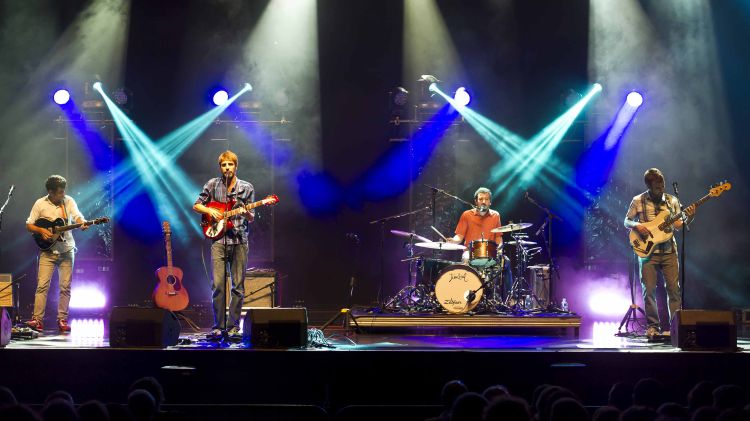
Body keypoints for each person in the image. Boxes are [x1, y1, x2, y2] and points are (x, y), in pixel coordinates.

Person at [624, 168, 695, 337]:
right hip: (647, 252)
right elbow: (626, 220)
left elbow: (677, 225)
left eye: (662, 185)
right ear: (648, 186)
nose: (661, 189)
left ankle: (676, 329)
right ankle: (653, 327)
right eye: (657, 187)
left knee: (674, 290)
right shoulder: (638, 200)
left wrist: (689, 217)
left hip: (669, 251)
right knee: (649, 291)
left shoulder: (672, 201)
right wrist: (636, 225)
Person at [193, 150, 254, 338]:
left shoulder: (246, 187)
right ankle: (218, 326)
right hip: (218, 240)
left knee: (238, 286)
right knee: (218, 285)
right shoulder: (212, 184)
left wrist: (245, 213)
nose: (227, 168)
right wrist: (211, 212)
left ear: (236, 166)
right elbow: (197, 205)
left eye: (230, 164)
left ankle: (233, 326)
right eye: (224, 165)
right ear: (220, 167)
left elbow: (251, 217)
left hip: (239, 240)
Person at [25, 175, 87, 333]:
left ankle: (62, 320)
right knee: (42, 286)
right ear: (50, 192)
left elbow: (77, 215)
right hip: (47, 251)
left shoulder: (69, 201)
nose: (62, 194)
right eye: (59, 192)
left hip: (67, 250)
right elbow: (29, 224)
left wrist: (82, 222)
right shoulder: (40, 203)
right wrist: (41, 230)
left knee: (65, 287)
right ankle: (37, 320)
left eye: (63, 191)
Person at [447, 187, 513, 300]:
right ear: (476, 201)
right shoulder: (466, 215)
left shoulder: (495, 215)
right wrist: (453, 241)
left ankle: (509, 298)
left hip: (490, 253)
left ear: (490, 202)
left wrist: (500, 249)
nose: (483, 201)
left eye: (486, 199)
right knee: (466, 259)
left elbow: (498, 237)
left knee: (506, 261)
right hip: (470, 252)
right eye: (481, 199)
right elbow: (460, 236)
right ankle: (467, 296)